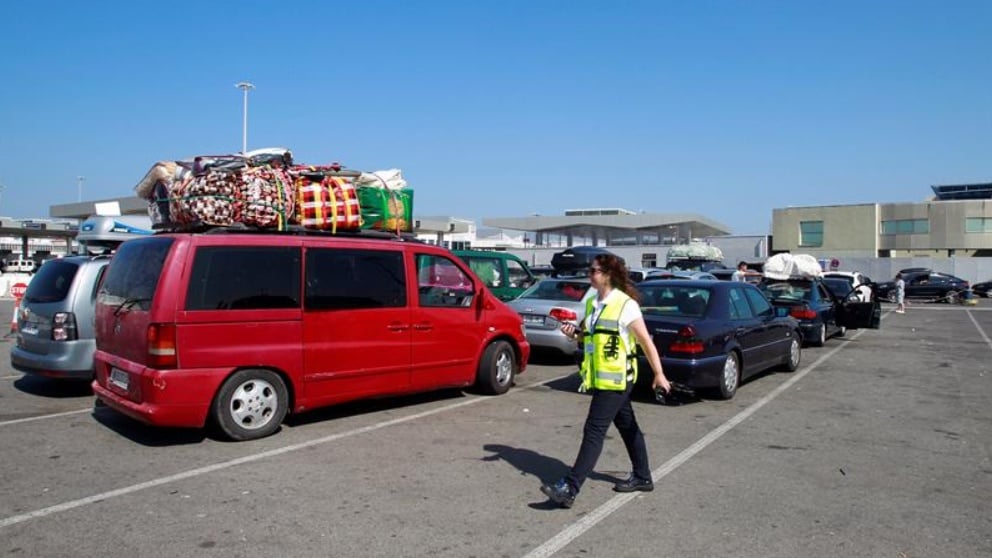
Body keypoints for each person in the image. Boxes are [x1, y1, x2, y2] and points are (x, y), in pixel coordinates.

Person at [540, 254, 672, 509]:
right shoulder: (593, 302)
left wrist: (659, 374)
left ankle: (570, 487)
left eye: (593, 271)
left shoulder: (626, 305)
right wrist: (574, 334)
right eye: (589, 270)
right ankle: (643, 476)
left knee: (594, 430)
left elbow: (646, 342)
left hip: (618, 379)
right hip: (601, 377)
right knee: (627, 424)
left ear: (608, 274)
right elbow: (589, 337)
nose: (589, 275)